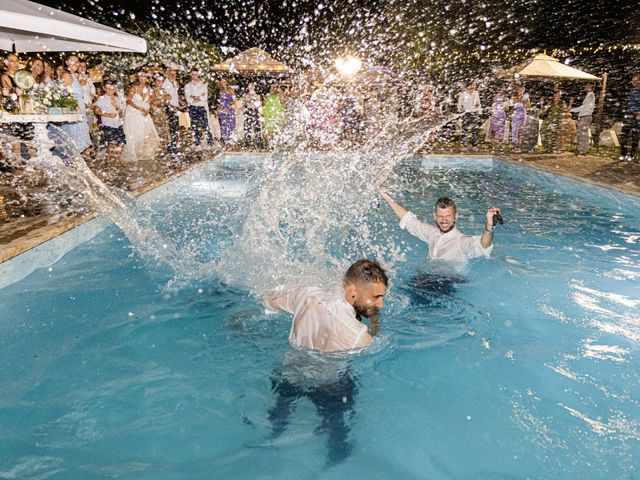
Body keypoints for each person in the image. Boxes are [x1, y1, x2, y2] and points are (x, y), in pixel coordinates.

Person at [261, 259, 388, 467]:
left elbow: (269, 300)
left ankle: (272, 439)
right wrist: (375, 321)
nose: (380, 304)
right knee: (337, 432)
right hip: (330, 387)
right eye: (376, 297)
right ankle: (334, 462)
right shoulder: (360, 337)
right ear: (352, 291)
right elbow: (366, 340)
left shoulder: (307, 294)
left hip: (290, 374)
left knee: (279, 414)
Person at [380, 187, 499, 261]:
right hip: (426, 277)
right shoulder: (431, 233)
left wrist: (489, 227)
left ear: (455, 217)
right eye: (440, 216)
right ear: (434, 216)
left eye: (448, 216)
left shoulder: (460, 241)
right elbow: (408, 219)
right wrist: (385, 195)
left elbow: (483, 246)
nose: (444, 220)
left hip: (449, 282)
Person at [57, 55, 92, 155]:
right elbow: (66, 95)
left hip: (79, 109)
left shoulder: (73, 75)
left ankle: (77, 165)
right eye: (73, 61)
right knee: (74, 141)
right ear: (67, 62)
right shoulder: (66, 75)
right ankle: (74, 166)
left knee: (78, 142)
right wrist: (76, 108)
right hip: (73, 111)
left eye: (77, 62)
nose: (76, 64)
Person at [122, 74, 161, 161]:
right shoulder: (134, 88)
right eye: (141, 77)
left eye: (145, 77)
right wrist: (139, 108)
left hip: (144, 113)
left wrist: (148, 109)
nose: (143, 78)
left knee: (145, 132)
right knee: (135, 132)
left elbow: (150, 101)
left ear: (147, 78)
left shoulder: (148, 89)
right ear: (138, 78)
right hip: (133, 112)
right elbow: (128, 100)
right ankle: (134, 153)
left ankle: (142, 153)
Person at [94, 79, 126, 162]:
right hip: (108, 123)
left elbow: (120, 112)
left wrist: (119, 111)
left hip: (118, 123)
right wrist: (108, 114)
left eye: (112, 89)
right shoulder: (102, 99)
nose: (110, 91)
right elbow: (96, 110)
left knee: (121, 142)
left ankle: (117, 159)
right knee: (111, 143)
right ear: (104, 89)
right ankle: (107, 160)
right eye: (108, 89)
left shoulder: (117, 99)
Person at [184, 68, 214, 148]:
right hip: (192, 108)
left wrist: (197, 97)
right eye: (193, 74)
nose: (194, 76)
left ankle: (210, 142)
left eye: (196, 74)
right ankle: (197, 143)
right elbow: (188, 99)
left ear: (198, 75)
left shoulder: (203, 85)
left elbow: (205, 97)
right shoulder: (187, 86)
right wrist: (198, 98)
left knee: (205, 125)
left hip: (201, 107)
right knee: (194, 126)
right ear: (190, 75)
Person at [619, 74, 640, 162]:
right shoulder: (631, 91)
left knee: (635, 137)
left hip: (637, 116)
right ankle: (624, 154)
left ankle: (632, 155)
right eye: (632, 81)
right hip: (628, 115)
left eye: (635, 81)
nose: (633, 82)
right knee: (623, 135)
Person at [571, 82, 595, 156]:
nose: (585, 86)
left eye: (586, 85)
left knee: (582, 134)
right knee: (581, 134)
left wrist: (573, 110)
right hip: (584, 116)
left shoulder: (590, 96)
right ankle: (582, 149)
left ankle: (582, 150)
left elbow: (584, 107)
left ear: (590, 86)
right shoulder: (589, 95)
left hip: (586, 116)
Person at [457, 79, 482, 150]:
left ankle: (474, 145)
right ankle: (464, 145)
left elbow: (479, 103)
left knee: (475, 129)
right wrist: (460, 109)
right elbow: (459, 104)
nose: (472, 87)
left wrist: (479, 111)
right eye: (471, 85)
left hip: (474, 113)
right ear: (468, 86)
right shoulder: (463, 94)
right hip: (466, 113)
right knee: (464, 129)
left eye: (473, 86)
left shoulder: (476, 93)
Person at [161, 66, 181, 153]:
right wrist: (171, 106)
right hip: (169, 108)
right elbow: (164, 97)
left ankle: (174, 145)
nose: (173, 74)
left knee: (176, 127)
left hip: (175, 107)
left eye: (174, 73)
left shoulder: (174, 83)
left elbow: (175, 95)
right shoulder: (165, 84)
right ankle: (172, 147)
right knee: (172, 128)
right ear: (167, 74)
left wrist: (179, 103)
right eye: (171, 73)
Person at [242, 82, 262, 149]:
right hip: (248, 112)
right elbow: (244, 104)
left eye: (252, 85)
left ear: (254, 87)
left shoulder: (257, 96)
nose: (251, 87)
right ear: (247, 87)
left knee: (257, 129)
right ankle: (247, 145)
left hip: (255, 112)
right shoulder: (245, 95)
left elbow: (258, 105)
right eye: (249, 85)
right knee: (247, 128)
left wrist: (254, 99)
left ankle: (259, 144)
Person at [217, 79, 236, 145]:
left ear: (227, 82)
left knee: (231, 125)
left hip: (230, 110)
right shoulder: (221, 91)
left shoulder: (231, 90)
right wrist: (219, 108)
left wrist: (228, 108)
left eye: (224, 82)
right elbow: (221, 102)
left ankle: (231, 141)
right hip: (223, 111)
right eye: (222, 82)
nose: (223, 83)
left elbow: (234, 101)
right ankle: (226, 141)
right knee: (224, 125)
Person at [510, 86, 528, 152]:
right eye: (519, 90)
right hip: (515, 116)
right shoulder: (514, 98)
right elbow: (512, 107)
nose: (520, 91)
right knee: (514, 131)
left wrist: (524, 102)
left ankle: (519, 146)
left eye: (522, 90)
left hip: (522, 115)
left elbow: (528, 106)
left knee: (520, 131)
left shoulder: (526, 97)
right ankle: (514, 145)